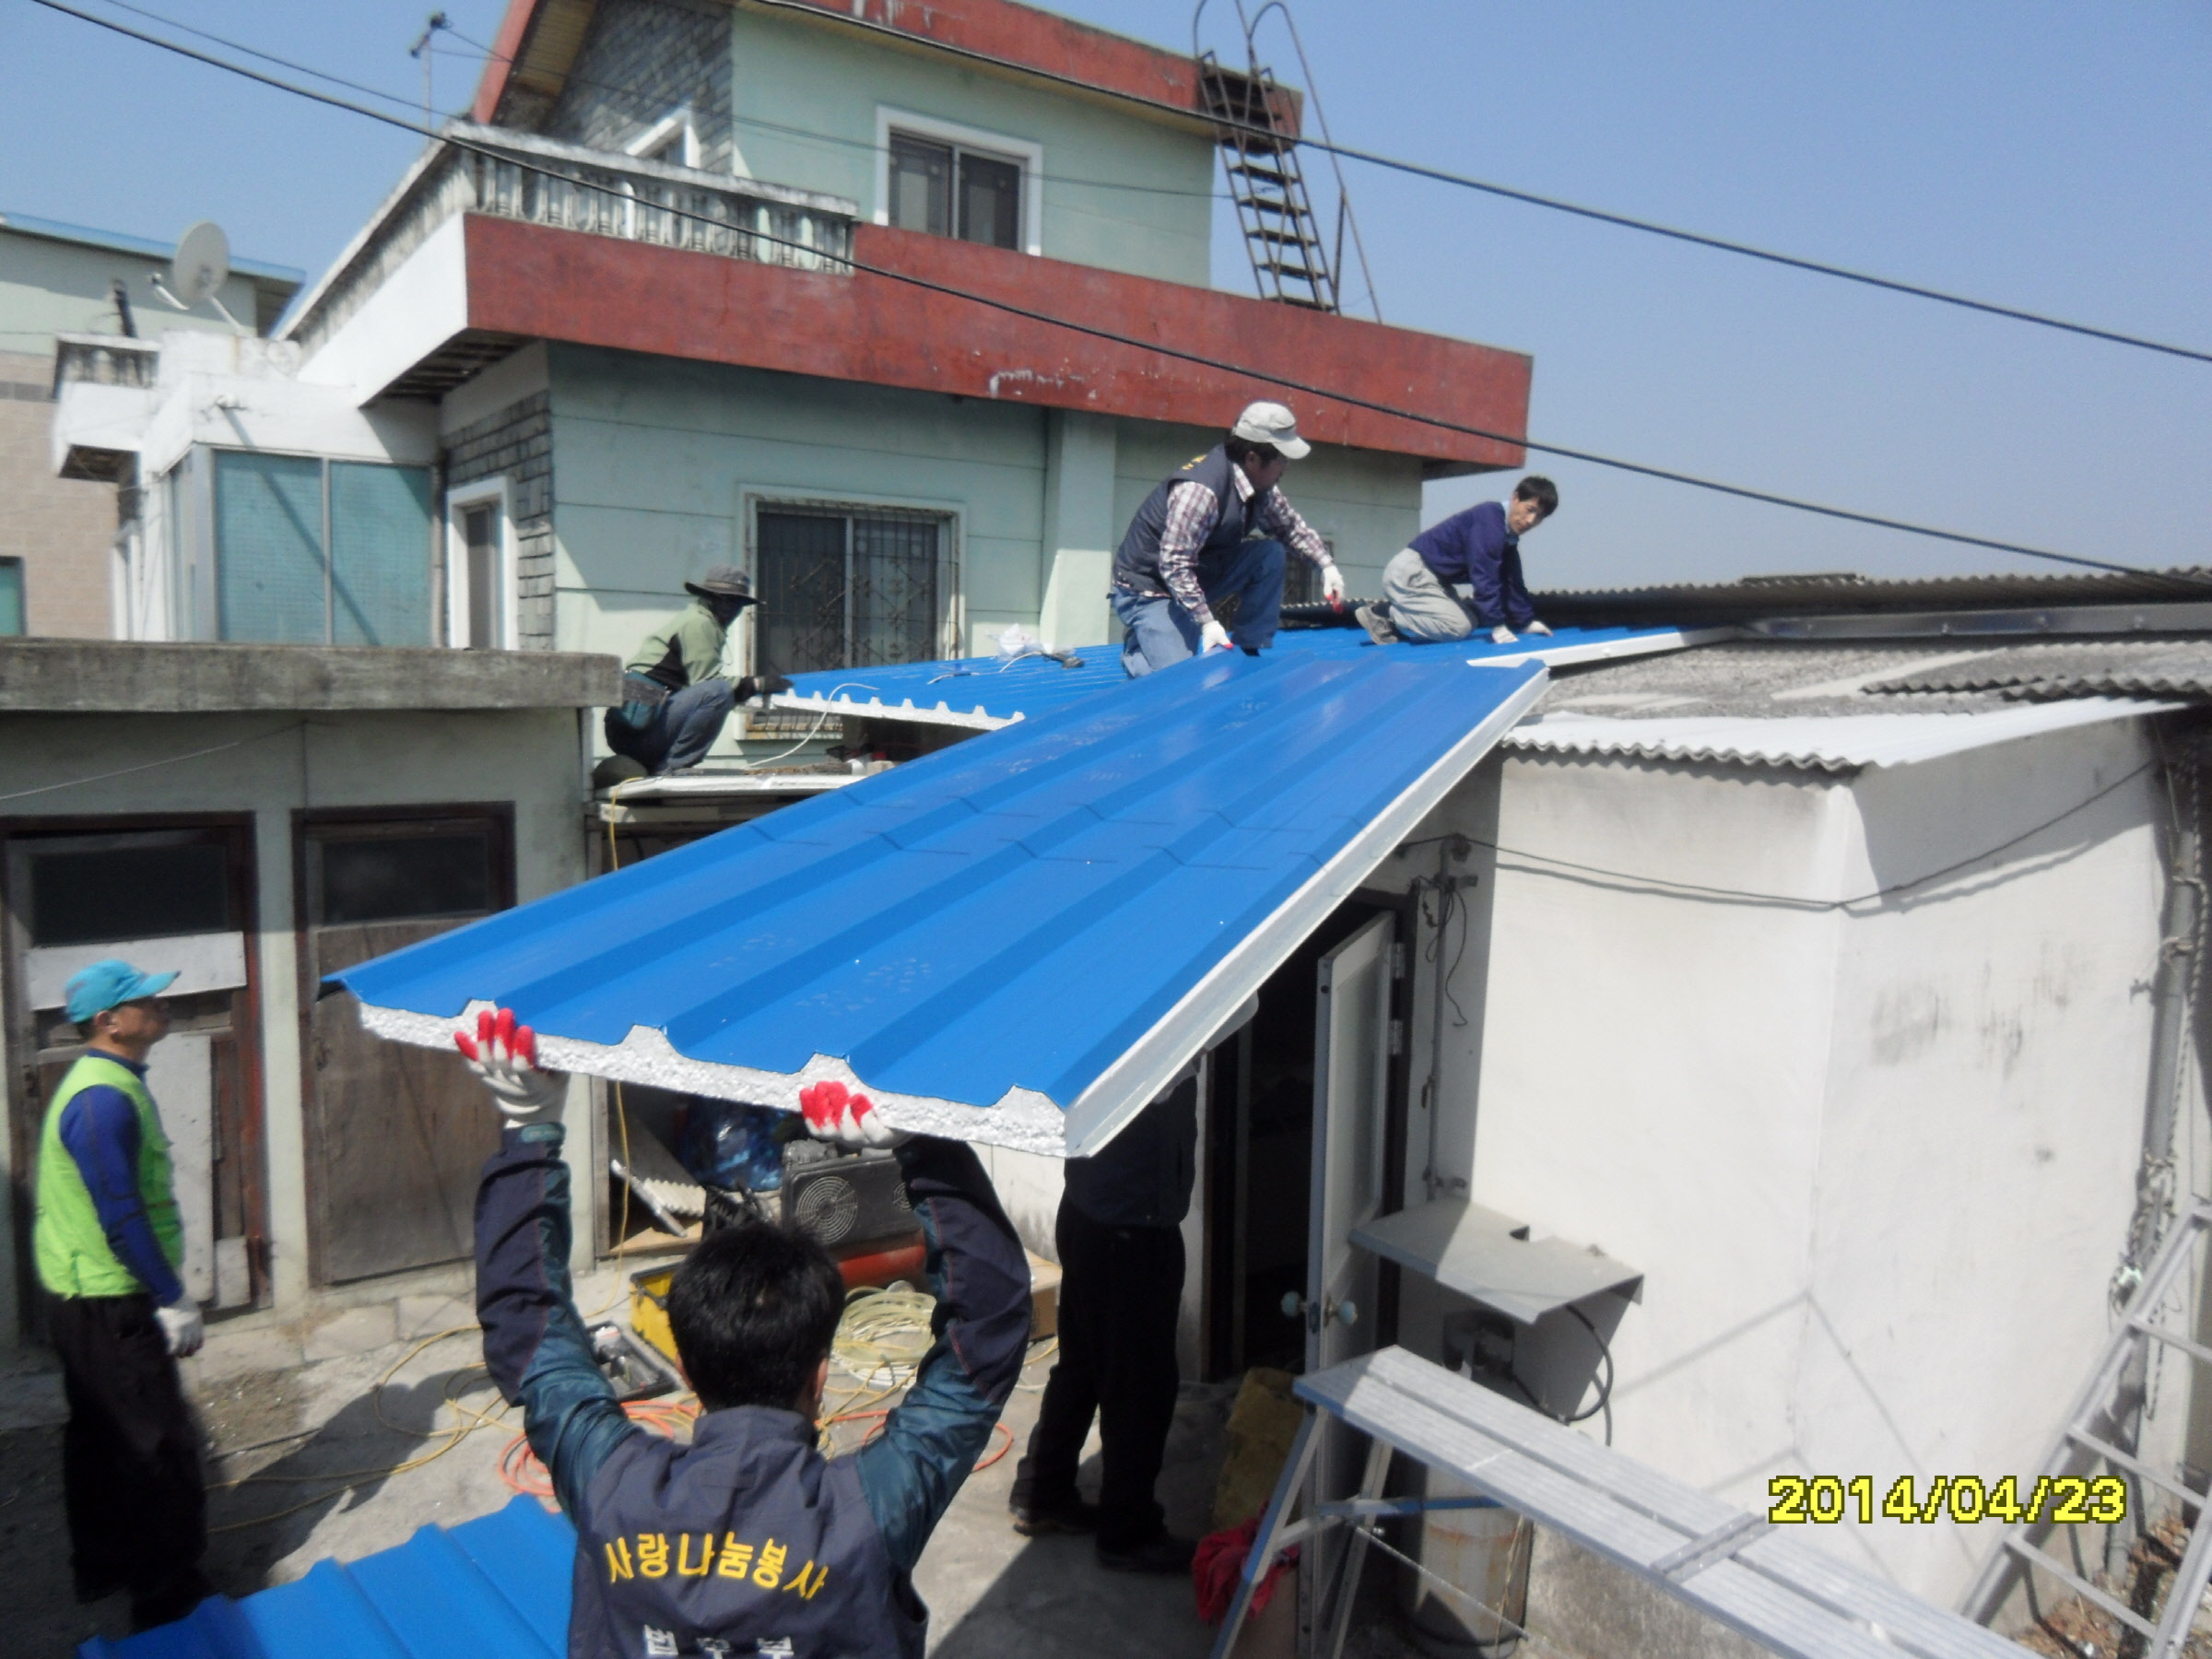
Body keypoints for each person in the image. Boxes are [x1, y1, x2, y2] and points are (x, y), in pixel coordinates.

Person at [460, 1009, 1030, 1658]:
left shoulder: (611, 1483)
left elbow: (528, 1330)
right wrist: (926, 1147)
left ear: (684, 1361)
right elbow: (988, 1329)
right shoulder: (866, 1512)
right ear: (822, 1375)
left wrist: (529, 1125)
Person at [33, 958, 209, 1631]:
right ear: (110, 1022)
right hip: (109, 1300)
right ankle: (169, 1597)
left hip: (78, 1292)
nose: (160, 1007)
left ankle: (101, 1565)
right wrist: (171, 1297)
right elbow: (121, 1212)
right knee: (155, 1444)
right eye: (146, 1001)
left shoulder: (107, 1083)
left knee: (98, 1433)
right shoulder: (102, 1100)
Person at [1009, 1071, 1198, 1572]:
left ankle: (1042, 1492)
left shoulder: (1112, 1019)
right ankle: (1128, 1532)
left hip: (1091, 1213)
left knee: (1085, 1365)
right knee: (1141, 1388)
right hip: (1130, 1232)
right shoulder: (1156, 1039)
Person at [1112, 402, 1346, 677]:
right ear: (1252, 458)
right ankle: (1137, 650)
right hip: (1151, 589)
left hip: (1197, 575)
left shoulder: (1260, 486)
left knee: (1269, 554)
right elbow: (1174, 566)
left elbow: (1290, 528)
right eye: (1281, 459)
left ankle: (1250, 645)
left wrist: (1326, 566)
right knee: (1176, 676)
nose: (1286, 467)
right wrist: (1207, 622)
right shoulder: (1200, 492)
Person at [606, 566, 791, 775]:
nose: (732, 609)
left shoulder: (700, 620)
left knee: (719, 692)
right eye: (726, 600)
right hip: (636, 736)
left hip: (637, 732)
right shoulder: (699, 623)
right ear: (710, 598)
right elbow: (707, 684)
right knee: (718, 692)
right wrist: (758, 684)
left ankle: (666, 764)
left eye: (738, 603)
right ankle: (673, 766)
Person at [1357, 476, 1559, 646]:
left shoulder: (1506, 536)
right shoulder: (1490, 521)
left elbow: (1512, 581)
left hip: (1433, 579)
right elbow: (1485, 576)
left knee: (1470, 621)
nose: (1531, 521)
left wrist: (1525, 622)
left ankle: (1400, 618)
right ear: (1515, 498)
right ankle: (1385, 616)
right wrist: (1497, 626)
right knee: (1457, 628)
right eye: (1530, 509)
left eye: (1540, 517)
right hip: (1412, 574)